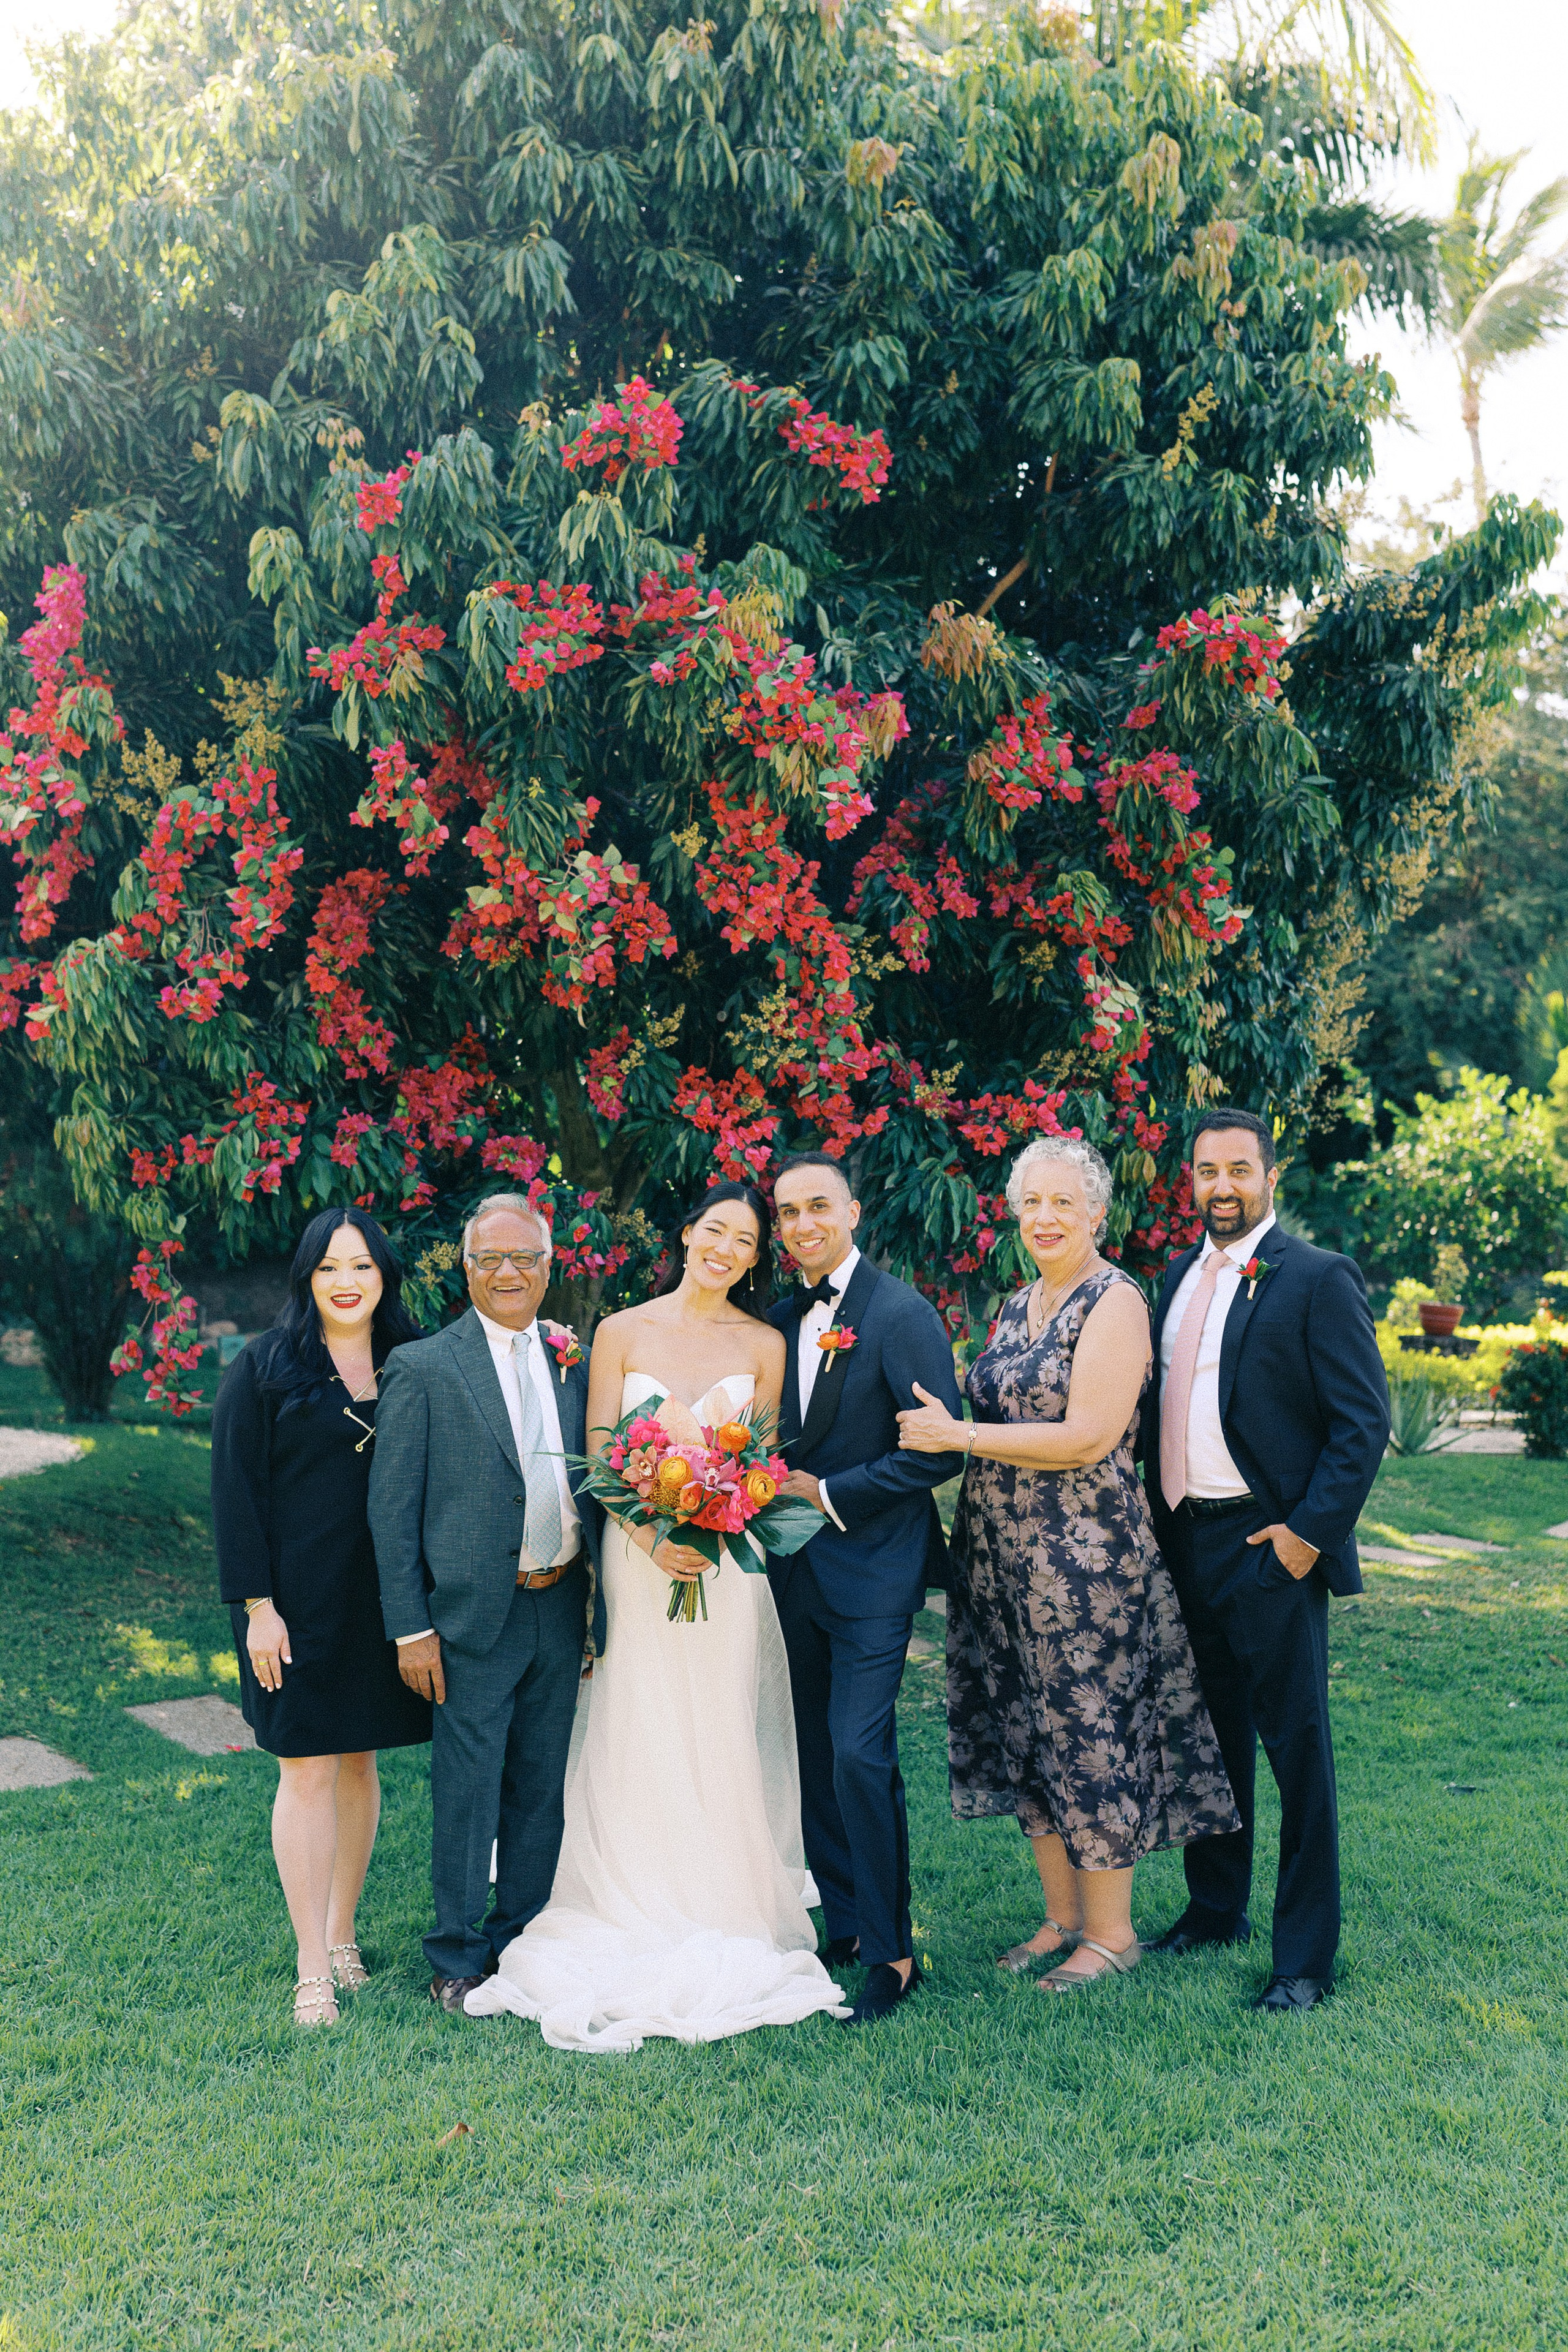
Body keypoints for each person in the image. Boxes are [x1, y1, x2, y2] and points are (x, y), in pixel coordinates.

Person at [466, 1178, 850, 2049]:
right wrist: (648, 1542)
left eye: (746, 1242)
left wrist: (715, 1525)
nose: (727, 1250)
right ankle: (621, 1891)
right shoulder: (623, 1330)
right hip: (640, 1566)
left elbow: (755, 1462)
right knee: (636, 1719)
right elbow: (598, 1453)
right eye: (716, 1231)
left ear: (757, 1258)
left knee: (714, 1724)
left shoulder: (763, 1343)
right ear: (687, 1233)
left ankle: (720, 1898)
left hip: (722, 1574)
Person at [897, 1139, 1238, 1991]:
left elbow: (1088, 1434)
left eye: (1063, 1204)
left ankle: (1113, 1933)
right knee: (1028, 1734)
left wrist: (963, 1436)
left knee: (1090, 1738)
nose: (1044, 1219)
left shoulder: (1114, 1300)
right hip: (1004, 1562)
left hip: (1085, 1566)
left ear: (1096, 1213)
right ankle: (1062, 1919)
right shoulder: (1018, 1305)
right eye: (1030, 1204)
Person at [1141, 1108, 1390, 2012]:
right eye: (1207, 1171)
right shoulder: (1172, 1281)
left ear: (1270, 1176)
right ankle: (1215, 1910)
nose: (1222, 1187)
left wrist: (1302, 1538)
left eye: (1239, 1170)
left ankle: (1305, 1960)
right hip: (1186, 1541)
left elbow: (1363, 1427)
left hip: (1268, 1546)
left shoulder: (1318, 1278)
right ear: (1192, 1181)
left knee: (1298, 1752)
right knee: (1210, 1745)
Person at [368, 1194, 604, 2015]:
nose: (509, 1272)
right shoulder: (426, 1367)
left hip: (559, 1600)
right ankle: (458, 1952)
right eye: (490, 1259)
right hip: (469, 1616)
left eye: (525, 1259)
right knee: (469, 1787)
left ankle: (524, 1936)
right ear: (466, 1269)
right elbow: (391, 1513)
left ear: (549, 1267)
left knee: (541, 1783)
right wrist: (411, 1626)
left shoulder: (577, 1360)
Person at [212, 1208, 431, 2028]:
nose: (348, 1283)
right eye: (331, 1268)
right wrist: (258, 1609)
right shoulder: (264, 1367)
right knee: (305, 1766)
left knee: (360, 1765)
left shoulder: (413, 1361)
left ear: (385, 1276)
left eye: (364, 1267)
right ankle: (312, 1969)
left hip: (383, 1602)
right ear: (307, 1277)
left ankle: (343, 1936)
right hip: (291, 1607)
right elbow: (234, 1495)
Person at [767, 1153, 965, 2026]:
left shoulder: (902, 1313)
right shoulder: (777, 1320)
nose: (803, 1224)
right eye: (786, 1213)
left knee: (859, 1749)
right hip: (788, 1573)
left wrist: (831, 1495)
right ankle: (844, 1922)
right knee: (813, 1754)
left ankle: (894, 1950)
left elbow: (941, 1448)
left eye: (818, 1206)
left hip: (878, 1570)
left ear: (851, 1211)